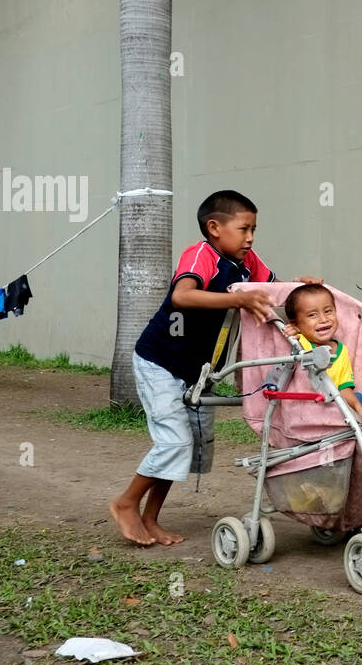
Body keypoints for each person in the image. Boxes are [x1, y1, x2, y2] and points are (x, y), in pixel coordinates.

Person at [109, 189, 319, 547]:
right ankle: (126, 503)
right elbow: (183, 295)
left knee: (186, 446)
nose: (251, 238)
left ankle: (151, 517)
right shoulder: (201, 255)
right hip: (160, 363)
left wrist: (302, 290)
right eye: (244, 229)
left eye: (254, 229)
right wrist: (238, 297)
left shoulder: (247, 263)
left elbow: (274, 295)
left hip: (200, 371)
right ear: (214, 227)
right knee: (173, 441)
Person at [282, 283, 362, 420]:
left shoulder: (341, 350)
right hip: (310, 404)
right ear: (296, 324)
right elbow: (284, 348)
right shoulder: (299, 343)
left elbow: (344, 388)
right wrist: (292, 333)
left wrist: (359, 409)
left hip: (337, 400)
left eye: (328, 311)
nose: (323, 319)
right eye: (312, 315)